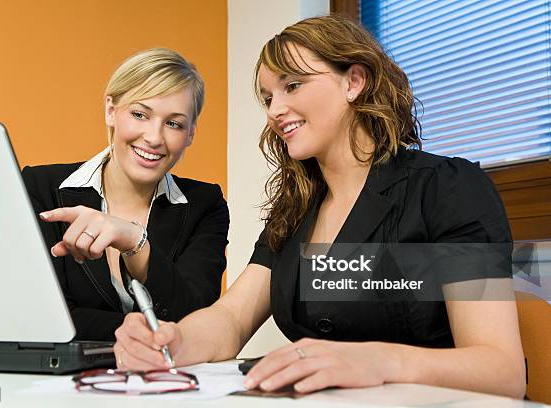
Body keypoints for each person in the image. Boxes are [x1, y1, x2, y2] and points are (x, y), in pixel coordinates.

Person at [112, 16, 525, 398]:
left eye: (292, 86)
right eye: (267, 97)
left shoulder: (447, 189)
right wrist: (172, 342)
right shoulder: (295, 211)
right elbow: (231, 319)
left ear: (354, 82)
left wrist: (381, 360)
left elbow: (502, 369)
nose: (274, 110)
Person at [22, 48, 229, 341]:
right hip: (64, 383)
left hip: (167, 382)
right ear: (111, 110)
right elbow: (43, 315)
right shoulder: (40, 187)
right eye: (140, 114)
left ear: (191, 133)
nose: (154, 138)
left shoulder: (205, 205)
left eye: (173, 123)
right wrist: (133, 330)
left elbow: (193, 315)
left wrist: (135, 242)